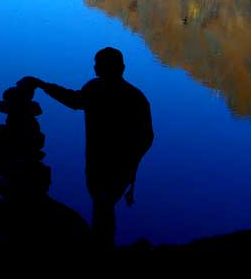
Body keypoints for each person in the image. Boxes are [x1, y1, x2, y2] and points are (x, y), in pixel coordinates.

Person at [19, 47, 153, 247]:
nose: (98, 69)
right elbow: (147, 137)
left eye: (100, 66)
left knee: (103, 206)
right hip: (104, 166)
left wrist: (130, 161)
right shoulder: (129, 96)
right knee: (103, 207)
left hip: (111, 166)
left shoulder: (109, 93)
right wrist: (43, 85)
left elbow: (74, 100)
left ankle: (101, 255)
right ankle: (103, 251)